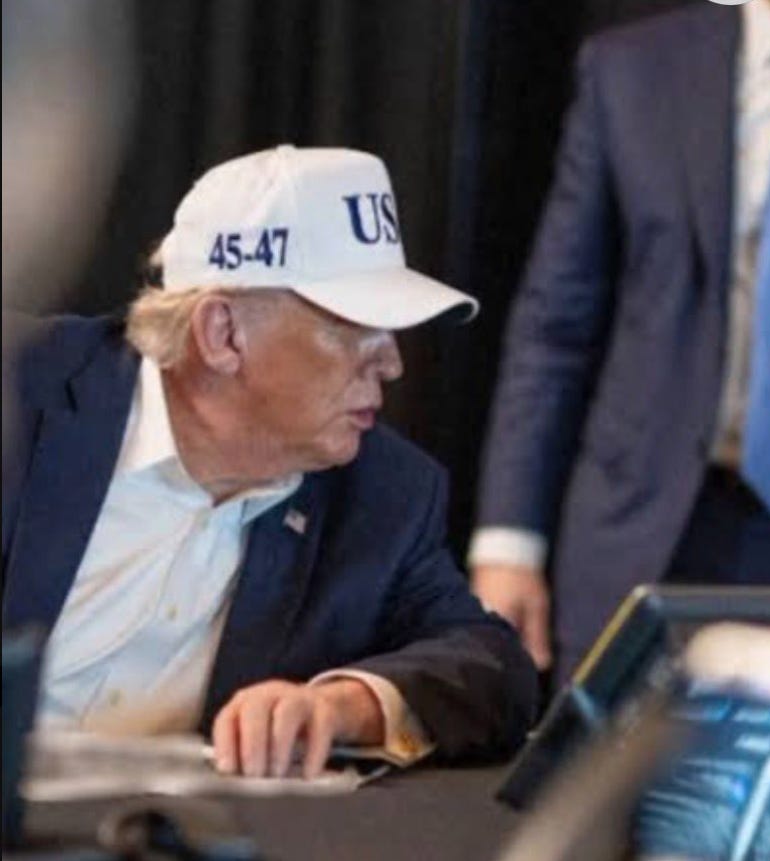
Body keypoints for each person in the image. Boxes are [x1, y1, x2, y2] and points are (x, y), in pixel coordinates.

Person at [2, 145, 540, 778]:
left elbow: (494, 668)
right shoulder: (19, 388)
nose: (392, 363)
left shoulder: (383, 494)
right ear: (223, 334)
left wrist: (340, 705)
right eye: (356, 325)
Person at [470, 0, 770, 682]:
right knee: (603, 751)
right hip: (648, 524)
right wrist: (509, 543)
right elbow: (556, 324)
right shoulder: (634, 70)